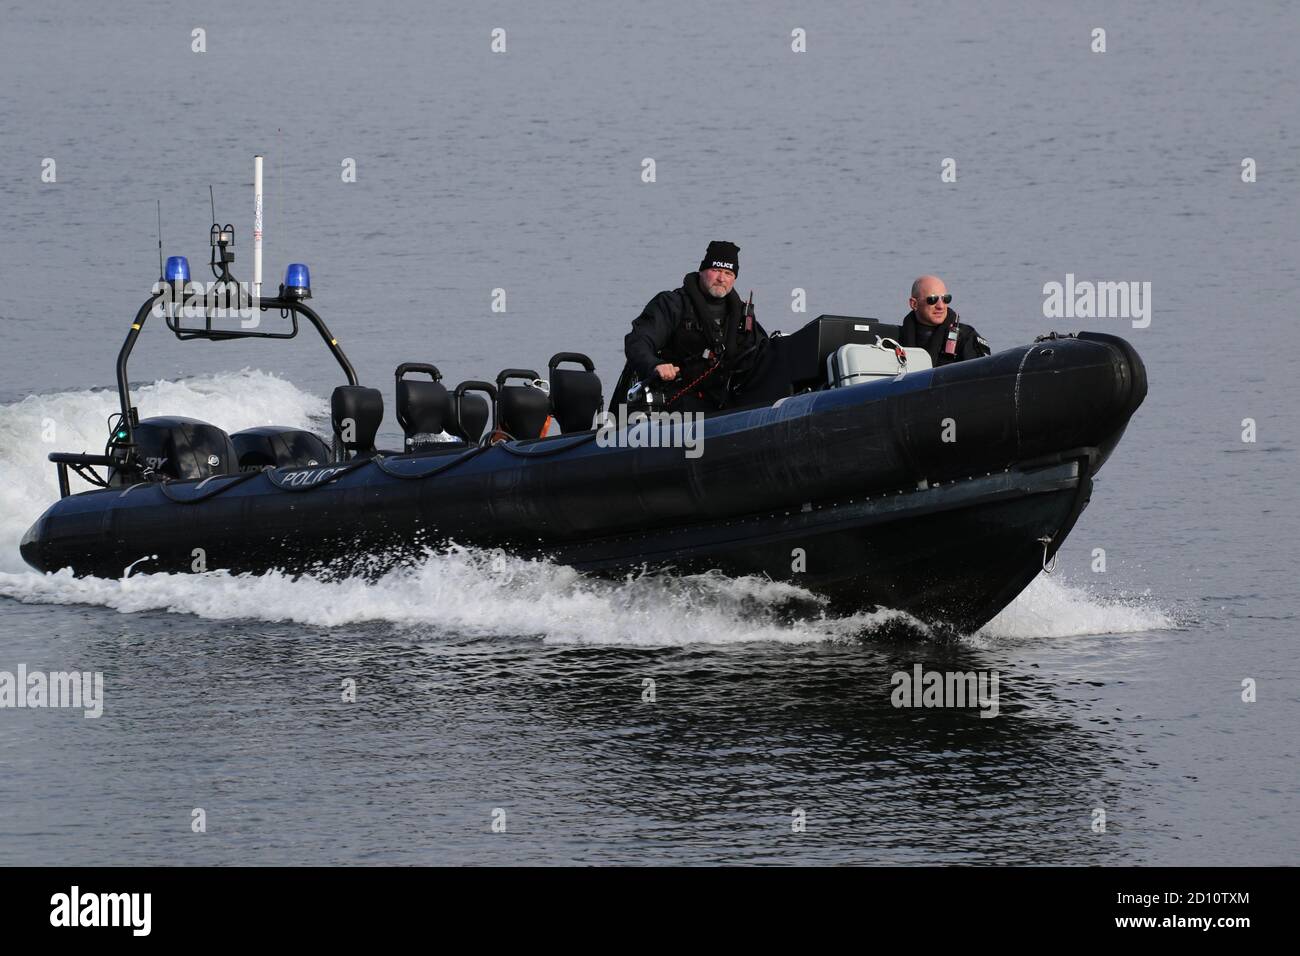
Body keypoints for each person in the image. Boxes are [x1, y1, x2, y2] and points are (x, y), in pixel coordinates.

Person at [622, 241, 771, 413]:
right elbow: (638, 341)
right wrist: (655, 365)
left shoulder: (742, 314)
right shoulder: (673, 304)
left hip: (726, 399)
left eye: (728, 273)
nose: (721, 278)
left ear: (734, 278)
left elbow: (761, 350)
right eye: (716, 270)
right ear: (702, 270)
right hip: (678, 399)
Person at [900, 275, 991, 365]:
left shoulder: (966, 337)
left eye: (945, 299)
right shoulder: (895, 339)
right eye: (932, 299)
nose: (941, 306)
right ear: (914, 304)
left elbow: (985, 373)